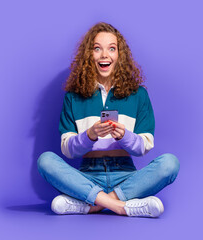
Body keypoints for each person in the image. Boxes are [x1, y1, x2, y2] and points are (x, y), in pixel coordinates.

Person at [37, 22, 180, 217]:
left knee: (169, 163)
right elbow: (67, 149)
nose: (105, 55)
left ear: (120, 56)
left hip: (126, 175)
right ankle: (121, 207)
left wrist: (125, 136)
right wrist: (89, 135)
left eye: (112, 49)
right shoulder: (73, 96)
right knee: (45, 161)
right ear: (89, 55)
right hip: (87, 175)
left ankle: (93, 205)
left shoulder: (138, 95)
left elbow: (144, 147)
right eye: (97, 49)